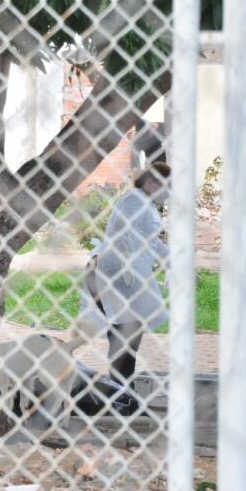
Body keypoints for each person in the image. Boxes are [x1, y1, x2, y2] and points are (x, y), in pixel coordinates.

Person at [79, 162, 170, 410]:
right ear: (152, 183)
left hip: (125, 274)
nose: (168, 192)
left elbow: (152, 243)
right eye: (165, 186)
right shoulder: (135, 201)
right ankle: (121, 396)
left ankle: (122, 394)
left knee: (129, 334)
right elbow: (120, 232)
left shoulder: (144, 203)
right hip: (115, 273)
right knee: (125, 334)